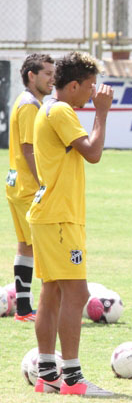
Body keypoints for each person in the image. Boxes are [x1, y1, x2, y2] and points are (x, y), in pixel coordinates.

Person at [29, 52, 114, 396]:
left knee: (52, 294)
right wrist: (102, 113)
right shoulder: (61, 110)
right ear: (75, 85)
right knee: (78, 294)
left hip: (51, 216)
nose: (94, 94)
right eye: (91, 87)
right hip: (60, 218)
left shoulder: (50, 108)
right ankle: (74, 380)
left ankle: (48, 374)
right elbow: (92, 152)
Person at [6, 54, 55, 322]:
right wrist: (44, 184)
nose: (52, 78)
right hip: (27, 187)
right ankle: (45, 308)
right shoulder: (30, 106)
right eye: (47, 73)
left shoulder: (26, 102)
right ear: (31, 76)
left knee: (25, 245)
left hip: (16, 183)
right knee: (45, 246)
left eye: (53, 73)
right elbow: (29, 150)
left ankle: (24, 309)